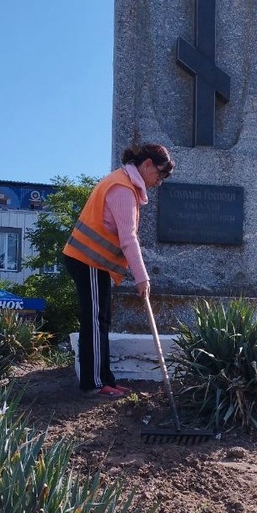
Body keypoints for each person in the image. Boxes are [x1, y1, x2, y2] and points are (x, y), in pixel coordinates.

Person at [63, 143, 174, 398]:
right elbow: (128, 238)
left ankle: (105, 379)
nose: (159, 181)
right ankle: (94, 383)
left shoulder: (126, 184)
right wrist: (142, 278)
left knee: (101, 319)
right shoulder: (122, 188)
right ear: (146, 164)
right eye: (159, 173)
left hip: (94, 261)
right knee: (94, 320)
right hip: (87, 259)